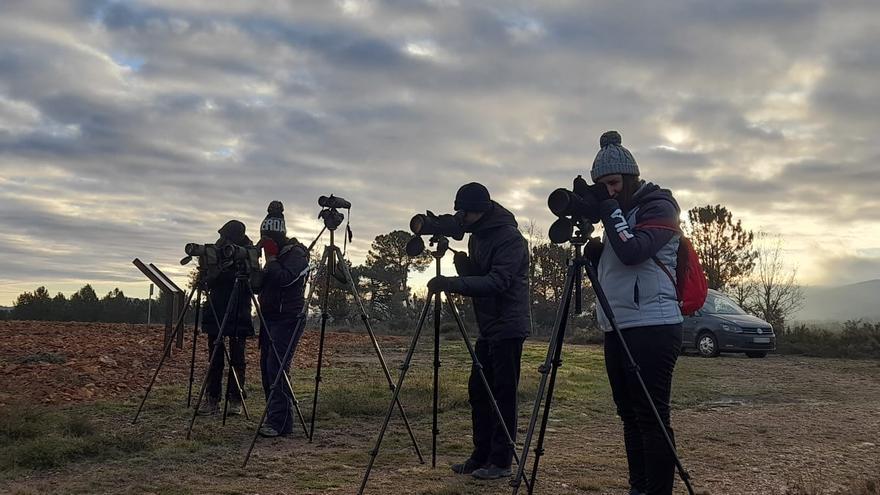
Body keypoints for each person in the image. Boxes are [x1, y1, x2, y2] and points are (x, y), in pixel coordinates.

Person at [584, 130, 684, 495]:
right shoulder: (620, 213)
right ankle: (638, 488)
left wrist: (608, 211)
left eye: (613, 183)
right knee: (628, 415)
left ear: (630, 178)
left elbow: (633, 252)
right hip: (618, 325)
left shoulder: (659, 206)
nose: (608, 191)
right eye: (602, 186)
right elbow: (619, 261)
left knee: (652, 416)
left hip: (654, 326)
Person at [427, 183, 530, 481]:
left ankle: (501, 462)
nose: (462, 217)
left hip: (508, 326)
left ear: (481, 211)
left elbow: (498, 282)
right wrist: (460, 261)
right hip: (488, 326)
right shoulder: (478, 236)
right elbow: (479, 276)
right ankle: (480, 455)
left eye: (466, 211)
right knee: (479, 392)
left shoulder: (509, 238)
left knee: (503, 394)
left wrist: (452, 283)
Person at [257, 201, 309, 437]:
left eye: (268, 240)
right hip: (269, 316)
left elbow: (286, 279)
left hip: (289, 317)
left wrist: (272, 261)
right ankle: (273, 417)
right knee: (266, 368)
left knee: (277, 367)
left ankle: (280, 423)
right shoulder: (273, 256)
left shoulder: (297, 254)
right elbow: (260, 286)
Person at [198, 220, 254, 416]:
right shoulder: (217, 251)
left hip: (238, 311)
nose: (221, 240)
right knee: (215, 358)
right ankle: (212, 399)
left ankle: (235, 399)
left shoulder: (248, 252)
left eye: (226, 236)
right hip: (216, 310)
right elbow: (207, 278)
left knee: (237, 359)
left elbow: (253, 282)